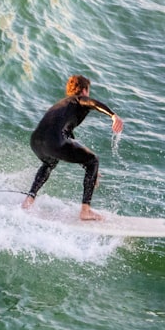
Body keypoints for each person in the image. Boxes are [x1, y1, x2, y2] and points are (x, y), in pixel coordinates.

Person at [22, 74, 124, 220]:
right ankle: (85, 211)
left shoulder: (61, 105)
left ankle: (29, 200)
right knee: (93, 160)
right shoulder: (78, 99)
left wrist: (89, 169)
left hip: (36, 141)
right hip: (54, 141)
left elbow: (68, 140)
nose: (88, 95)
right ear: (83, 91)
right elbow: (94, 103)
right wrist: (113, 115)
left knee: (50, 162)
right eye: (88, 91)